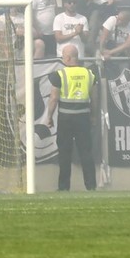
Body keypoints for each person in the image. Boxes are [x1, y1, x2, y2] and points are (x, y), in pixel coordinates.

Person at [40, 45, 96, 191]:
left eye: (64, 55)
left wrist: (49, 116)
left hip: (66, 118)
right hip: (83, 117)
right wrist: (94, 115)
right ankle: (91, 186)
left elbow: (53, 98)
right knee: (86, 152)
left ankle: (64, 187)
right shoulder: (89, 74)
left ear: (68, 57)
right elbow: (94, 97)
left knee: (65, 153)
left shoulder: (60, 74)